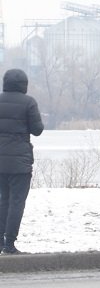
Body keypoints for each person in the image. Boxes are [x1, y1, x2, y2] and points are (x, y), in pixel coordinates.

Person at [0, 69, 44, 255]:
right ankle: (10, 244)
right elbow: (37, 130)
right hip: (20, 162)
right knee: (17, 203)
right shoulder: (29, 102)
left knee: (3, 201)